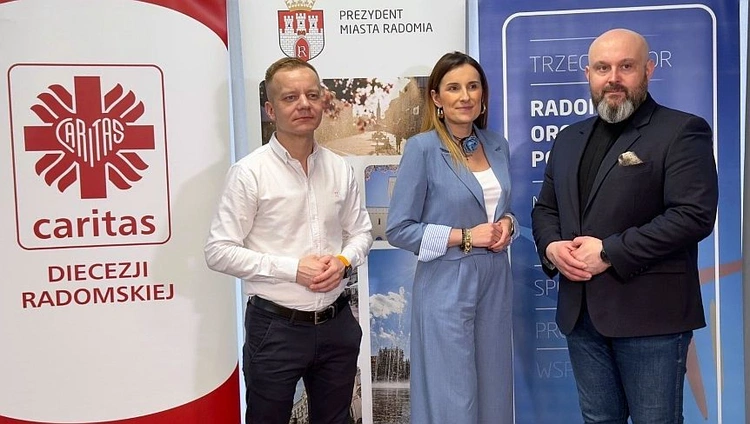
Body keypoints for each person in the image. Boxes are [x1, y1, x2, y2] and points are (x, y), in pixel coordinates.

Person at [531, 28, 718, 424]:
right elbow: (546, 209)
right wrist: (551, 248)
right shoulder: (568, 138)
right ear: (588, 74)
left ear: (648, 69)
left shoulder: (682, 130)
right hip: (581, 315)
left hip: (652, 316)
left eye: (626, 66)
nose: (613, 78)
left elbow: (693, 215)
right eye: (602, 68)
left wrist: (608, 252)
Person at [204, 57, 373, 424]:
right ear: (271, 109)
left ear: (323, 102)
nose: (304, 105)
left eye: (312, 95)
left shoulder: (339, 168)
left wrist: (343, 261)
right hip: (276, 328)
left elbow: (361, 232)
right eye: (290, 97)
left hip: (337, 323)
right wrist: (292, 269)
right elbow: (218, 251)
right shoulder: (249, 173)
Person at [386, 51, 517, 424]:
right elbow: (399, 228)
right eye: (454, 88)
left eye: (473, 86)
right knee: (453, 398)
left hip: (495, 278)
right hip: (446, 281)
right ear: (437, 98)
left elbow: (501, 208)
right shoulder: (422, 148)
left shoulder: (497, 145)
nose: (465, 96)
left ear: (483, 94)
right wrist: (465, 237)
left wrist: (508, 225)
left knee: (494, 389)